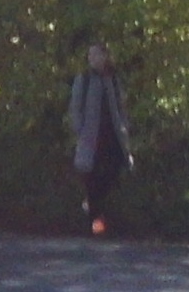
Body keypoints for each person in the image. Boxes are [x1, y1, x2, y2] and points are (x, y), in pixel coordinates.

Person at [68, 43, 133, 236]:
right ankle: (95, 226)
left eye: (96, 55)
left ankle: (94, 210)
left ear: (105, 56)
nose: (92, 59)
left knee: (114, 170)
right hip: (91, 137)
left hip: (112, 134)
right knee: (92, 177)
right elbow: (75, 107)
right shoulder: (84, 79)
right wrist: (80, 130)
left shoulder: (112, 79)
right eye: (90, 55)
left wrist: (124, 125)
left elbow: (121, 106)